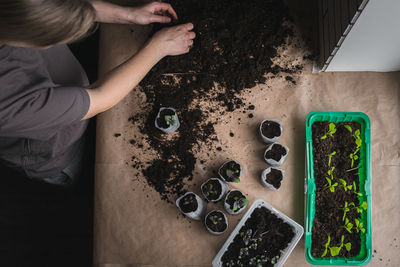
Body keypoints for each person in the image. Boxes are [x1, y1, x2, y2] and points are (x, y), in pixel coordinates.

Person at [0, 0, 195, 186]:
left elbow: (51, 7)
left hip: (65, 93)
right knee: (88, 175)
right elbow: (100, 96)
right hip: (57, 148)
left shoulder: (12, 16)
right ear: (35, 35)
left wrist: (127, 14)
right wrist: (159, 47)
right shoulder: (7, 99)